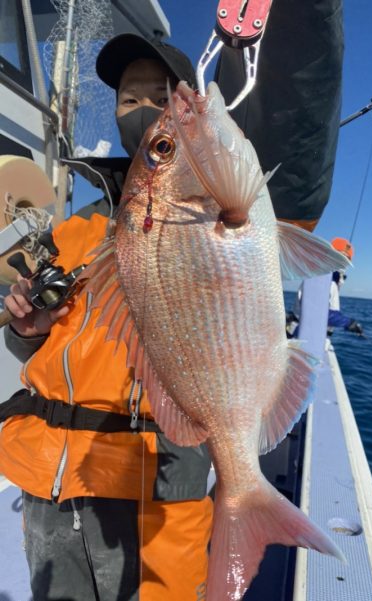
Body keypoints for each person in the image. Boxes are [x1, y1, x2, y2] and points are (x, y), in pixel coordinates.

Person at [0, 34, 213, 601]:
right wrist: (27, 329)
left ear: (188, 110)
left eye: (158, 96)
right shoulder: (75, 230)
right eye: (126, 99)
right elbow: (43, 342)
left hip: (149, 487)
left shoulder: (212, 219)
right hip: (49, 484)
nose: (140, 109)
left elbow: (295, 182)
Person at [327, 238, 364, 336]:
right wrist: (349, 323)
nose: (343, 262)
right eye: (340, 256)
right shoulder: (323, 278)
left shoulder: (332, 281)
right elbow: (320, 313)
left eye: (347, 259)